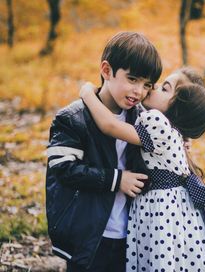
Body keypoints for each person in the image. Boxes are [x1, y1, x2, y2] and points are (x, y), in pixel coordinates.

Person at [80, 67, 205, 271]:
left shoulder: (156, 120)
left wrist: (88, 93)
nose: (154, 87)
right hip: (176, 213)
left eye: (164, 89)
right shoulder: (173, 130)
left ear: (177, 108)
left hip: (159, 212)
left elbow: (110, 125)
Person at [45, 31, 162, 271]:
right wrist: (116, 180)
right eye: (132, 79)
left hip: (132, 232)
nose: (139, 91)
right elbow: (62, 168)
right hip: (89, 233)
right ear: (107, 71)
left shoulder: (141, 119)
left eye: (146, 85)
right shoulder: (73, 118)